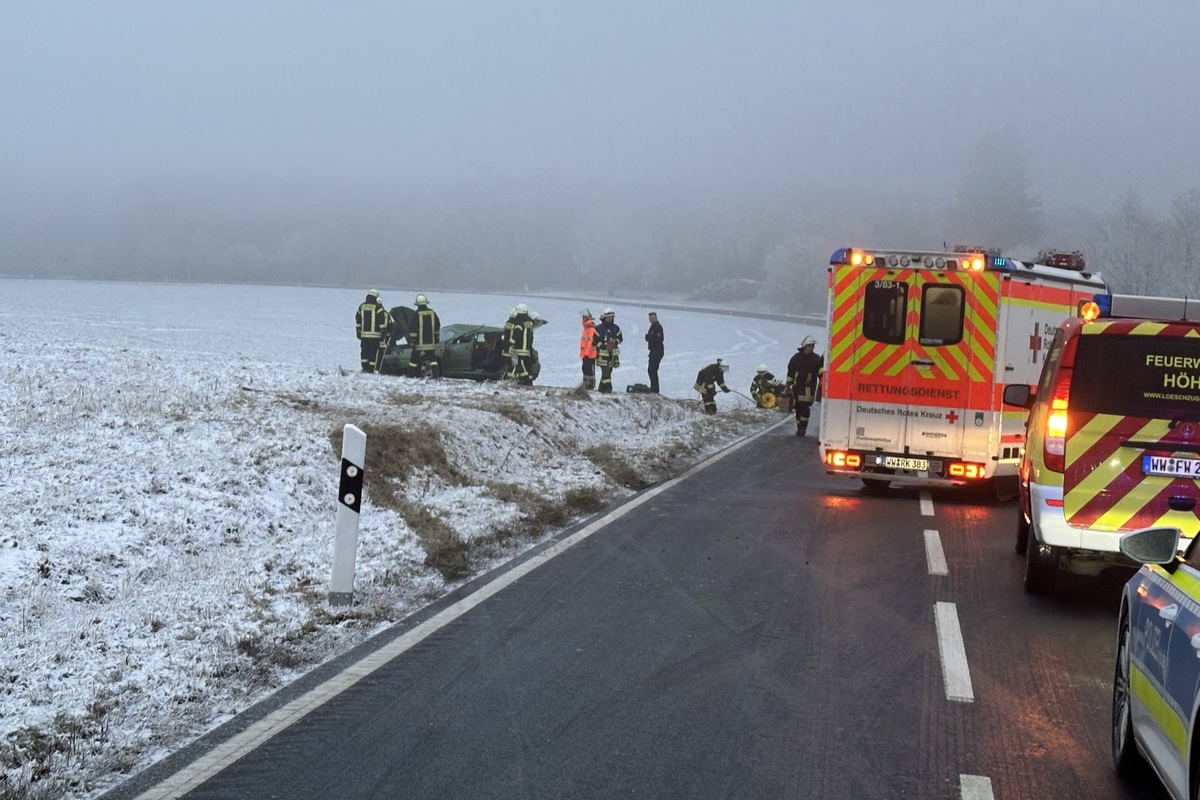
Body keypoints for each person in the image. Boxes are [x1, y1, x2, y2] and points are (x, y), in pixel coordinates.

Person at [787, 336, 824, 436]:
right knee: (798, 407)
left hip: (808, 388)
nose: (812, 348)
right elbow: (790, 372)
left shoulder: (816, 359)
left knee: (804, 407)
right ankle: (799, 425)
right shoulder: (796, 358)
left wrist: (822, 378)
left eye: (813, 346)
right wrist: (788, 386)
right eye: (811, 346)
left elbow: (820, 370)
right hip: (797, 388)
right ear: (805, 346)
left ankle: (803, 427)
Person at [355, 289, 390, 373]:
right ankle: (371, 369)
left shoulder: (361, 306)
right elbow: (382, 322)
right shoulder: (378, 308)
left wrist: (358, 331)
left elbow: (358, 320)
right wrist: (383, 333)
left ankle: (364, 368)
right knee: (373, 353)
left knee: (364, 352)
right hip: (375, 336)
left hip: (364, 336)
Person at [409, 293, 441, 377]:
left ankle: (411, 375)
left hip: (419, 344)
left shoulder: (416, 314)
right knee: (433, 360)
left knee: (413, 361)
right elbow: (437, 326)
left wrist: (412, 341)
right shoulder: (432, 313)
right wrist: (436, 338)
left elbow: (413, 329)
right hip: (430, 343)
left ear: (417, 304)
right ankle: (436, 375)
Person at [504, 303, 537, 385]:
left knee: (518, 366)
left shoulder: (518, 323)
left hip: (518, 349)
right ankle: (527, 380)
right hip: (526, 349)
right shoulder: (529, 323)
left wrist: (511, 343)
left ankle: (524, 381)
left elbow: (516, 334)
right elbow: (530, 337)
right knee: (522, 365)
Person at [594, 308, 623, 393]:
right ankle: (608, 389)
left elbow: (620, 338)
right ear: (604, 318)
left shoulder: (616, 328)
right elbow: (595, 340)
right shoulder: (598, 328)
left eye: (611, 317)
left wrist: (615, 342)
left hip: (613, 355)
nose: (610, 319)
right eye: (608, 317)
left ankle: (601, 388)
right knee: (606, 372)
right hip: (602, 356)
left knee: (607, 373)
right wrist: (603, 346)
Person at [645, 311, 664, 393]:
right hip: (653, 351)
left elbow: (659, 339)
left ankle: (655, 390)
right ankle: (653, 388)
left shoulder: (658, 327)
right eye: (650, 318)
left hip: (657, 351)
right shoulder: (652, 327)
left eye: (652, 318)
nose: (651, 320)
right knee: (651, 370)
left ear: (656, 318)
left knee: (652, 370)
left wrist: (649, 338)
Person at [579, 308, 598, 390]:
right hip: (585, 354)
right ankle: (586, 384)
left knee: (589, 370)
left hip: (590, 355)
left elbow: (591, 342)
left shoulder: (591, 328)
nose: (583, 318)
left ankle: (590, 385)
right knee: (585, 369)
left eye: (584, 317)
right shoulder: (586, 328)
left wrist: (586, 353)